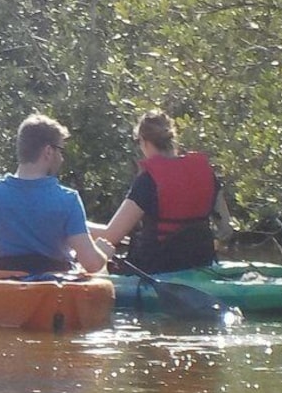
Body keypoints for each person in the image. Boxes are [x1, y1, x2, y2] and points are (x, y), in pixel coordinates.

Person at [0, 113, 112, 274]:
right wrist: (103, 252)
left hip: (2, 286)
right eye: (61, 151)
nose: (62, 158)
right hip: (52, 291)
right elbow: (92, 264)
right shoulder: (68, 199)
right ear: (48, 151)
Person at [89, 110, 233, 273]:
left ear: (143, 141)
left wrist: (76, 227)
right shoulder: (206, 173)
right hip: (201, 264)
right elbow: (226, 229)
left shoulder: (148, 181)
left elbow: (110, 236)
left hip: (156, 269)